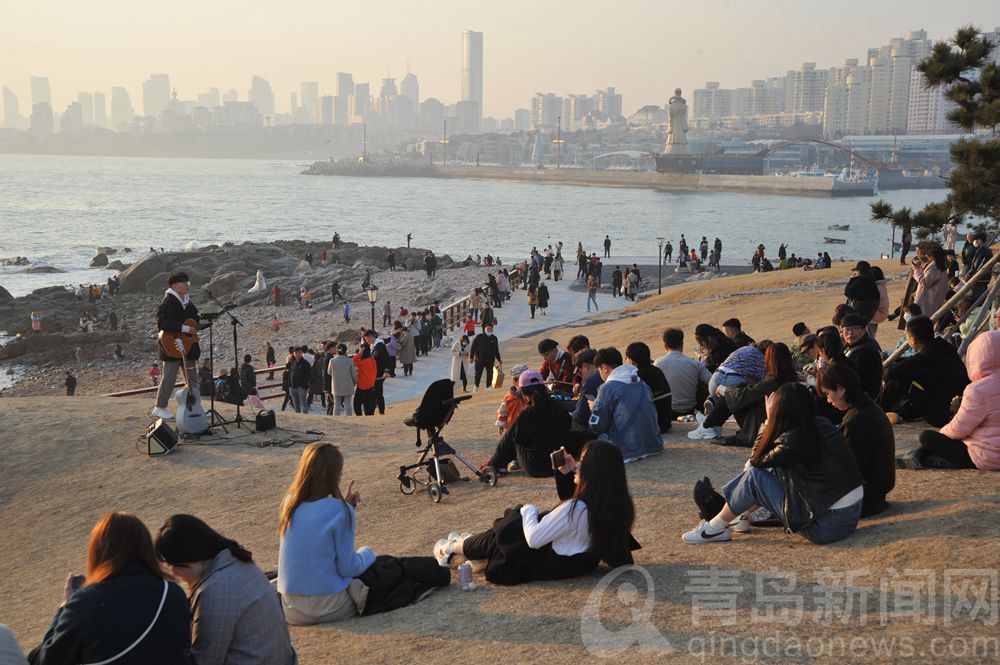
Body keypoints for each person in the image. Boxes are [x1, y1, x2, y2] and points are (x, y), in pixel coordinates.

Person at [434, 440, 636, 585]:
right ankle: (469, 547)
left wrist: (528, 510)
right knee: (506, 530)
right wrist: (567, 472)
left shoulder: (576, 511)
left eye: (583, 462)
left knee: (508, 527)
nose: (578, 465)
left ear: (593, 471)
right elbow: (573, 513)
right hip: (570, 562)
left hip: (536, 559)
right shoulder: (616, 506)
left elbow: (534, 539)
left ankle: (450, 548)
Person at [683, 383, 864, 545]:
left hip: (828, 526)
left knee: (756, 475)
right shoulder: (822, 425)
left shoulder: (792, 440)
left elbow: (755, 460)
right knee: (771, 468)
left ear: (781, 410)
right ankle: (740, 516)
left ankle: (715, 528)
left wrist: (768, 421)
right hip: (850, 514)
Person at [30, 513, 191, 664]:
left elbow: (48, 660)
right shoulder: (173, 592)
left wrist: (64, 607)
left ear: (99, 550)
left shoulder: (85, 602)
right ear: (146, 546)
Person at [154, 515, 295, 665]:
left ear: (189, 558)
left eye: (172, 564)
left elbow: (204, 660)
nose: (172, 572)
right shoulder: (238, 562)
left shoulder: (215, 591)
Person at [276, 443, 373, 624]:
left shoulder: (288, 504)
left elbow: (314, 523)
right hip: (331, 607)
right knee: (375, 574)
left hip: (292, 611)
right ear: (334, 475)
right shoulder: (340, 511)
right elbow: (348, 567)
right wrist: (368, 553)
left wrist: (344, 506)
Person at [901, 331, 1000, 470]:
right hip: (987, 447)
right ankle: (918, 455)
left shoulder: (977, 390)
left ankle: (922, 457)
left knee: (927, 437)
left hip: (988, 457)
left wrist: (953, 417)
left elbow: (958, 430)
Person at [819, 363, 896, 517]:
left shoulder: (858, 420)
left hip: (866, 499)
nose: (828, 400)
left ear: (841, 389)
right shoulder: (867, 407)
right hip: (876, 494)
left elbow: (848, 469)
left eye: (828, 394)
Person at [702, 342, 797, 448]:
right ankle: (710, 421)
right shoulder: (792, 381)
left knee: (735, 393)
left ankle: (708, 425)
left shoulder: (771, 383)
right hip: (785, 426)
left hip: (764, 427)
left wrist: (724, 390)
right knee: (737, 391)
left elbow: (744, 396)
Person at [881, 315, 970, 426]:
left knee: (904, 378)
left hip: (943, 415)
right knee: (912, 376)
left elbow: (891, 372)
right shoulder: (944, 347)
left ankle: (878, 409)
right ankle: (901, 414)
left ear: (913, 340)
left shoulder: (926, 356)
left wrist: (886, 376)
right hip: (958, 404)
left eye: (906, 336)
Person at [483, 370, 571, 477]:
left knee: (513, 433)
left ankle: (496, 464)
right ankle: (497, 463)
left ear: (524, 393)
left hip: (535, 466)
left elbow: (517, 440)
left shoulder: (527, 414)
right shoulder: (559, 406)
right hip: (558, 462)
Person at [588, 347, 663, 463]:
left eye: (599, 371)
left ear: (604, 368)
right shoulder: (641, 382)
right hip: (654, 445)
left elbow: (596, 426)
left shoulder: (608, 388)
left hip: (627, 450)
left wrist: (594, 408)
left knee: (593, 441)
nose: (600, 374)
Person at [152, 272, 201, 421]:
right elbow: (162, 323)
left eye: (187, 282)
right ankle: (159, 407)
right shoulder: (168, 302)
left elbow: (195, 320)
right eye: (183, 282)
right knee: (169, 377)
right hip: (171, 346)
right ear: (174, 286)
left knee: (192, 379)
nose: (186, 285)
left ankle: (196, 406)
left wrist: (207, 319)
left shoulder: (188, 302)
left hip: (188, 346)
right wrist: (185, 329)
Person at [654, 328, 711, 417]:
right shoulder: (694, 363)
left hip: (669, 411)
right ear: (682, 344)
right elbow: (711, 381)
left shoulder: (658, 363)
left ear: (665, 346)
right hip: (691, 409)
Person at [625, 342, 672, 434]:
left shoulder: (636, 375)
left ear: (632, 361)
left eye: (626, 358)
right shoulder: (656, 370)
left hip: (652, 425)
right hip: (665, 422)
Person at [840, 312, 883, 399]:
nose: (850, 333)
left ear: (864, 329)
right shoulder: (858, 343)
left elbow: (854, 381)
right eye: (846, 329)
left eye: (855, 329)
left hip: (863, 397)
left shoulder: (863, 352)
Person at [364, 331, 391, 415]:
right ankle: (376, 411)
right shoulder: (373, 346)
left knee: (377, 393)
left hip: (379, 374)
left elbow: (386, 359)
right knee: (375, 393)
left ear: (371, 337)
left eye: (366, 339)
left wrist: (386, 371)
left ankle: (381, 411)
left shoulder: (380, 345)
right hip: (374, 374)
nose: (366, 341)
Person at [470, 324, 502, 392]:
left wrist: (499, 359)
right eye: (488, 329)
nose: (489, 330)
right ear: (485, 329)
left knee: (490, 373)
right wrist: (471, 357)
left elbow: (496, 350)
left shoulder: (494, 338)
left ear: (492, 329)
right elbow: (473, 347)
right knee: (478, 374)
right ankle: (476, 386)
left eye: (490, 329)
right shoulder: (479, 337)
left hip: (490, 360)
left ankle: (488, 386)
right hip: (479, 359)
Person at [352, 343, 377, 416]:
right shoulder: (372, 359)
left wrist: (359, 354)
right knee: (368, 405)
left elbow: (353, 361)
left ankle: (359, 417)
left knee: (357, 404)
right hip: (371, 385)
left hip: (362, 386)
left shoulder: (363, 362)